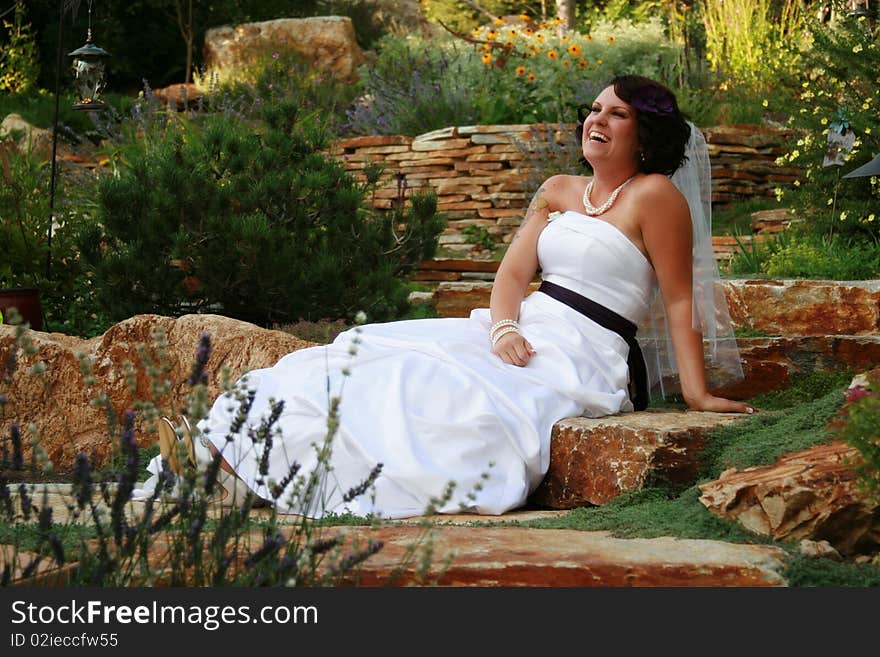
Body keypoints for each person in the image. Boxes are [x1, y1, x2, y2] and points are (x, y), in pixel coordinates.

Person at [137, 74, 753, 519]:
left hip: (584, 349)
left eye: (616, 113)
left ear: (644, 132)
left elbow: (677, 301)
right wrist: (503, 330)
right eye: (594, 108)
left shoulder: (655, 198)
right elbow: (512, 276)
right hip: (523, 326)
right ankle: (216, 455)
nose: (597, 119)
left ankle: (246, 475)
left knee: (441, 396)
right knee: (364, 356)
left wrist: (695, 393)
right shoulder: (559, 189)